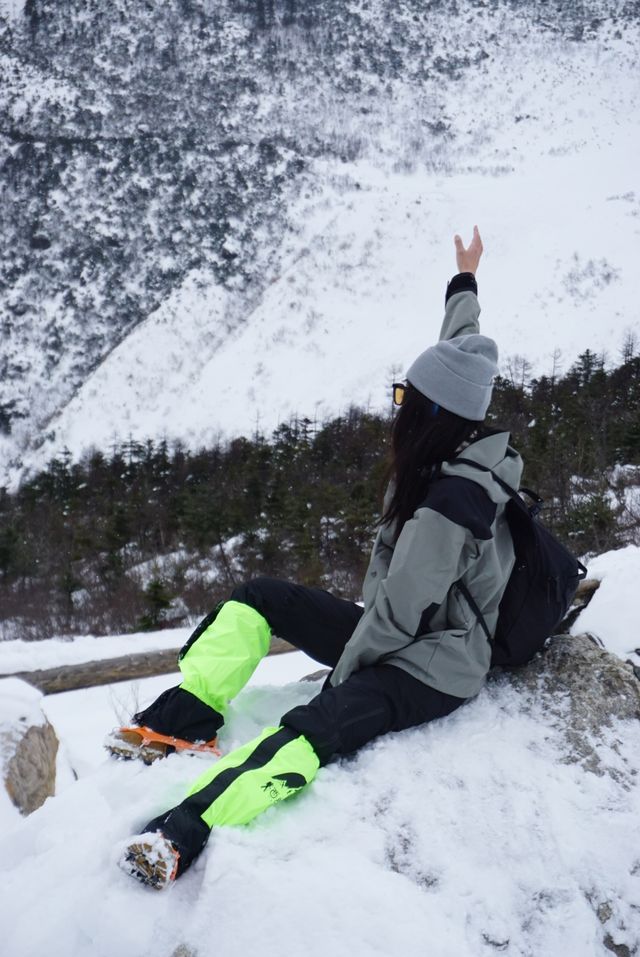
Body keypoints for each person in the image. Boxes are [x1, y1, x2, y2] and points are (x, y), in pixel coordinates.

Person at [114, 226, 523, 889]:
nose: (399, 406)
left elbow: (397, 615)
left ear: (433, 413)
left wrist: (342, 680)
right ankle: (184, 719)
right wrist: (465, 279)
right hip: (400, 628)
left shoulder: (451, 502)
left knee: (314, 726)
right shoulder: (459, 421)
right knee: (259, 596)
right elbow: (461, 350)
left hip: (435, 663)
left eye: (405, 399)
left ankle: (183, 830)